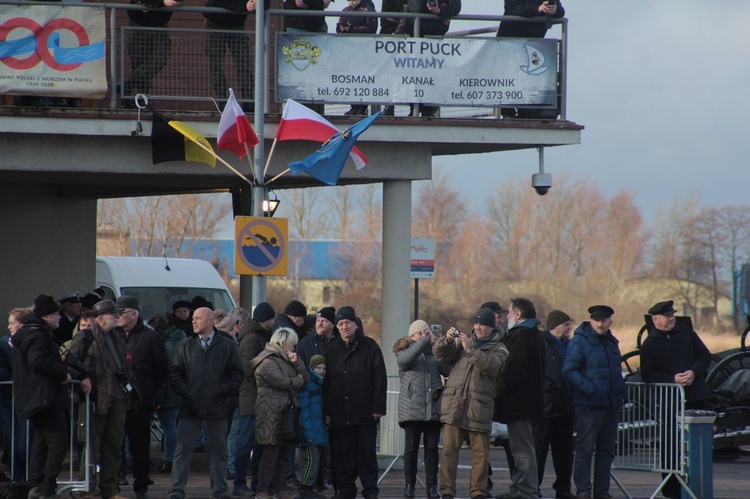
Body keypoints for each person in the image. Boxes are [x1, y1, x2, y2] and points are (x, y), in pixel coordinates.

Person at [168, 307, 244, 499]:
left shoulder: (228, 346)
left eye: (198, 318)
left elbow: (237, 375)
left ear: (210, 321)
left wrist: (220, 392)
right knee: (182, 452)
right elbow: (175, 373)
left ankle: (220, 491)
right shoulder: (184, 345)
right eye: (193, 318)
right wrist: (188, 392)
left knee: (219, 453)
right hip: (190, 407)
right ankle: (177, 490)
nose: (193, 321)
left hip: (217, 408)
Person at [432, 308, 508, 499]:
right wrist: (447, 340)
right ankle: (447, 491)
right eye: (476, 323)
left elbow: (491, 367)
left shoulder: (500, 348)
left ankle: (478, 492)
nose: (478, 327)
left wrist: (471, 350)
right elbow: (440, 354)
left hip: (479, 407)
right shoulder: (463, 342)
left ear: (492, 327)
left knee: (480, 456)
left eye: (483, 324)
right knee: (449, 452)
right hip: (454, 404)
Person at [640, 300, 711, 499]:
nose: (671, 318)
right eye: (667, 316)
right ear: (655, 320)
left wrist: (694, 372)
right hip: (670, 401)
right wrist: (672, 380)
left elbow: (704, 355)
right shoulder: (649, 345)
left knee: (697, 444)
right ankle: (672, 490)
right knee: (672, 445)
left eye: (672, 315)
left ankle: (697, 486)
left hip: (696, 396)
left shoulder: (687, 333)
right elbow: (648, 375)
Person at [69, 299, 132, 499]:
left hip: (117, 396)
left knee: (113, 445)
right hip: (94, 398)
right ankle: (87, 488)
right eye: (113, 314)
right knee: (91, 445)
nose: (117, 317)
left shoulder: (117, 337)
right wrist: (83, 377)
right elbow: (70, 364)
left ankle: (110, 489)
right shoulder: (85, 337)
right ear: (100, 318)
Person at [323, 306, 387, 499]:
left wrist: (378, 407)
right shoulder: (331, 349)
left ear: (355, 325)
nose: (344, 327)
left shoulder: (370, 346)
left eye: (348, 323)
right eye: (341, 323)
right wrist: (326, 411)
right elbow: (325, 384)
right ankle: (346, 490)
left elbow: (380, 378)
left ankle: (370, 491)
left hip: (365, 413)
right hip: (340, 414)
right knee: (344, 456)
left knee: (367, 455)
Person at [11, 295, 72, 499]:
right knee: (57, 443)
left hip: (37, 397)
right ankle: (46, 486)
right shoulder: (38, 336)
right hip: (46, 397)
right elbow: (38, 361)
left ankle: (36, 485)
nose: (59, 318)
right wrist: (62, 374)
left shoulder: (30, 333)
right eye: (56, 314)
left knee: (41, 442)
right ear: (46, 316)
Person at [562, 305, 626, 499]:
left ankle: (601, 492)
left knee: (606, 451)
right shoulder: (580, 342)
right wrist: (591, 389)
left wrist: (621, 393)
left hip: (610, 406)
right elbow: (568, 370)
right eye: (597, 320)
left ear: (610, 322)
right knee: (585, 450)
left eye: (604, 320)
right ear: (591, 321)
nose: (600, 323)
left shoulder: (611, 342)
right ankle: (583, 491)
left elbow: (615, 372)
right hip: (588, 406)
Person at [113, 295, 168, 499]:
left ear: (134, 314)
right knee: (114, 443)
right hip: (116, 399)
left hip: (140, 401)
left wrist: (151, 394)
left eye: (122, 312)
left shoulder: (151, 337)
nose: (117, 316)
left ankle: (141, 484)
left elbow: (161, 370)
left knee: (139, 445)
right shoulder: (113, 336)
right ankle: (114, 481)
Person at [249, 327, 309, 499]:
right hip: (270, 413)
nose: (294, 349)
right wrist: (298, 379)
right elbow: (284, 382)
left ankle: (279, 487)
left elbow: (306, 378)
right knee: (270, 453)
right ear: (284, 344)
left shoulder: (286, 360)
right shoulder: (267, 361)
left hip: (284, 412)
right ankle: (262, 489)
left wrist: (297, 363)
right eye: (293, 345)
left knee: (284, 452)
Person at [494, 298, 545, 499]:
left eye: (509, 312)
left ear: (518, 315)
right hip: (529, 402)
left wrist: (498, 391)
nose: (506, 316)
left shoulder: (521, 335)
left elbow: (511, 370)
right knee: (522, 448)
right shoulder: (534, 334)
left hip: (519, 403)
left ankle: (526, 491)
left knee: (522, 450)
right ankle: (519, 489)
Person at [393, 320, 443, 499]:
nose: (425, 336)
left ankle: (432, 487)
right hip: (412, 408)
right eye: (421, 333)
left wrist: (441, 347)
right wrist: (423, 341)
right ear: (413, 335)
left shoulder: (433, 351)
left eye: (427, 333)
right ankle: (409, 486)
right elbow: (406, 361)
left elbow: (445, 368)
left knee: (432, 450)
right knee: (411, 449)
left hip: (433, 407)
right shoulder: (403, 350)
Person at [234, 301, 277, 496]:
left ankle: (256, 484)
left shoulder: (258, 336)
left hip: (258, 398)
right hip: (252, 399)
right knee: (246, 443)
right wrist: (263, 385)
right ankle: (239, 484)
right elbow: (248, 369)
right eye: (272, 319)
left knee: (258, 443)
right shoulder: (252, 339)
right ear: (266, 320)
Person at [496, 0, 565, 119]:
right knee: (508, 77)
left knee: (528, 79)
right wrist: (538, 9)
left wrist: (554, 10)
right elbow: (513, 9)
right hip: (510, 40)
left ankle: (525, 112)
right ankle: (508, 113)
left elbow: (560, 10)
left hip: (533, 43)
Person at [534, 310, 575, 499]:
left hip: (565, 406)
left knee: (565, 452)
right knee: (539, 451)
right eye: (566, 324)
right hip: (546, 406)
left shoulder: (570, 345)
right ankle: (534, 487)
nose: (569, 327)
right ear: (554, 326)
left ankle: (563, 489)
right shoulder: (542, 343)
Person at [203, 0, 266, 112]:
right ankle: (222, 100)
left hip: (237, 25)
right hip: (215, 23)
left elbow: (266, 4)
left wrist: (257, 4)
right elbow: (215, 3)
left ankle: (248, 100)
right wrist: (244, 6)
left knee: (244, 63)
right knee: (216, 64)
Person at [406, 0, 461, 117]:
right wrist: (439, 12)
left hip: (436, 38)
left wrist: (439, 10)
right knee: (414, 74)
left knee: (434, 74)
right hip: (416, 34)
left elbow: (456, 8)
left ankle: (429, 109)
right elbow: (416, 8)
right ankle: (415, 107)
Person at [123, 0, 181, 108]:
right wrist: (162, 2)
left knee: (161, 57)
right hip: (138, 22)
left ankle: (128, 85)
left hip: (159, 23)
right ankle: (143, 98)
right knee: (139, 60)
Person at [147, 315, 186, 475]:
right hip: (173, 390)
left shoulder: (167, 343)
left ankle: (170, 459)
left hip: (167, 390)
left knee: (169, 425)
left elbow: (166, 366)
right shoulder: (177, 337)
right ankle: (170, 459)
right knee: (171, 425)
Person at [1, 307, 31, 480]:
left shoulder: (33, 341)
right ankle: (18, 478)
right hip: (9, 397)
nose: (9, 326)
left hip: (24, 398)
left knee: (23, 443)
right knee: (15, 441)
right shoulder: (5, 343)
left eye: (12, 322)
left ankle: (24, 478)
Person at [336, 0, 378, 116]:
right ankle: (354, 106)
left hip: (364, 50)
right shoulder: (345, 10)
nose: (352, 2)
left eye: (354, 0)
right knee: (351, 79)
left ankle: (363, 107)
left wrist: (351, 29)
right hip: (349, 50)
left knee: (363, 79)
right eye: (349, 0)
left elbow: (371, 29)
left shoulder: (368, 10)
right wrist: (341, 28)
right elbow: (338, 26)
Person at [297, 354, 328, 499]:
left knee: (315, 460)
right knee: (311, 460)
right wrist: (308, 432)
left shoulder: (318, 384)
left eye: (323, 368)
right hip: (310, 431)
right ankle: (305, 487)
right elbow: (304, 411)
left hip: (316, 429)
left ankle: (309, 487)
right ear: (311, 368)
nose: (321, 371)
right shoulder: (308, 384)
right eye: (318, 367)